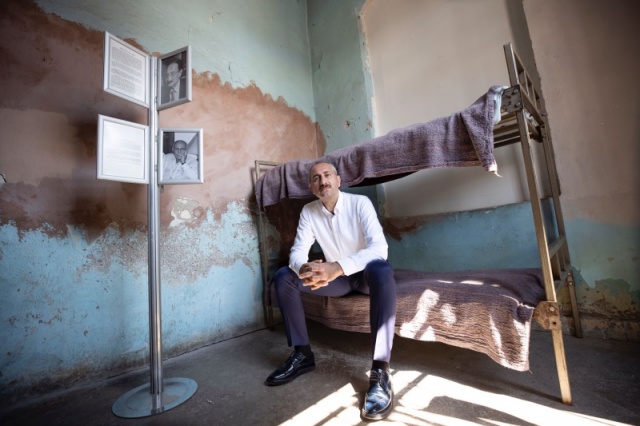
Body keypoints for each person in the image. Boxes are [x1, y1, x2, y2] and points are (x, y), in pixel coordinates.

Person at [265, 161, 397, 421]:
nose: (322, 181)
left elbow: (379, 249)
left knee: (382, 269)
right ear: (311, 187)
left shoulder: (360, 203)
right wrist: (304, 268)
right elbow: (298, 251)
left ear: (338, 180)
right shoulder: (309, 211)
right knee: (284, 276)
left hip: (365, 274)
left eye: (327, 175)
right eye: (316, 178)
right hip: (338, 282)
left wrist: (337, 267)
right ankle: (302, 354)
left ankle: (381, 370)